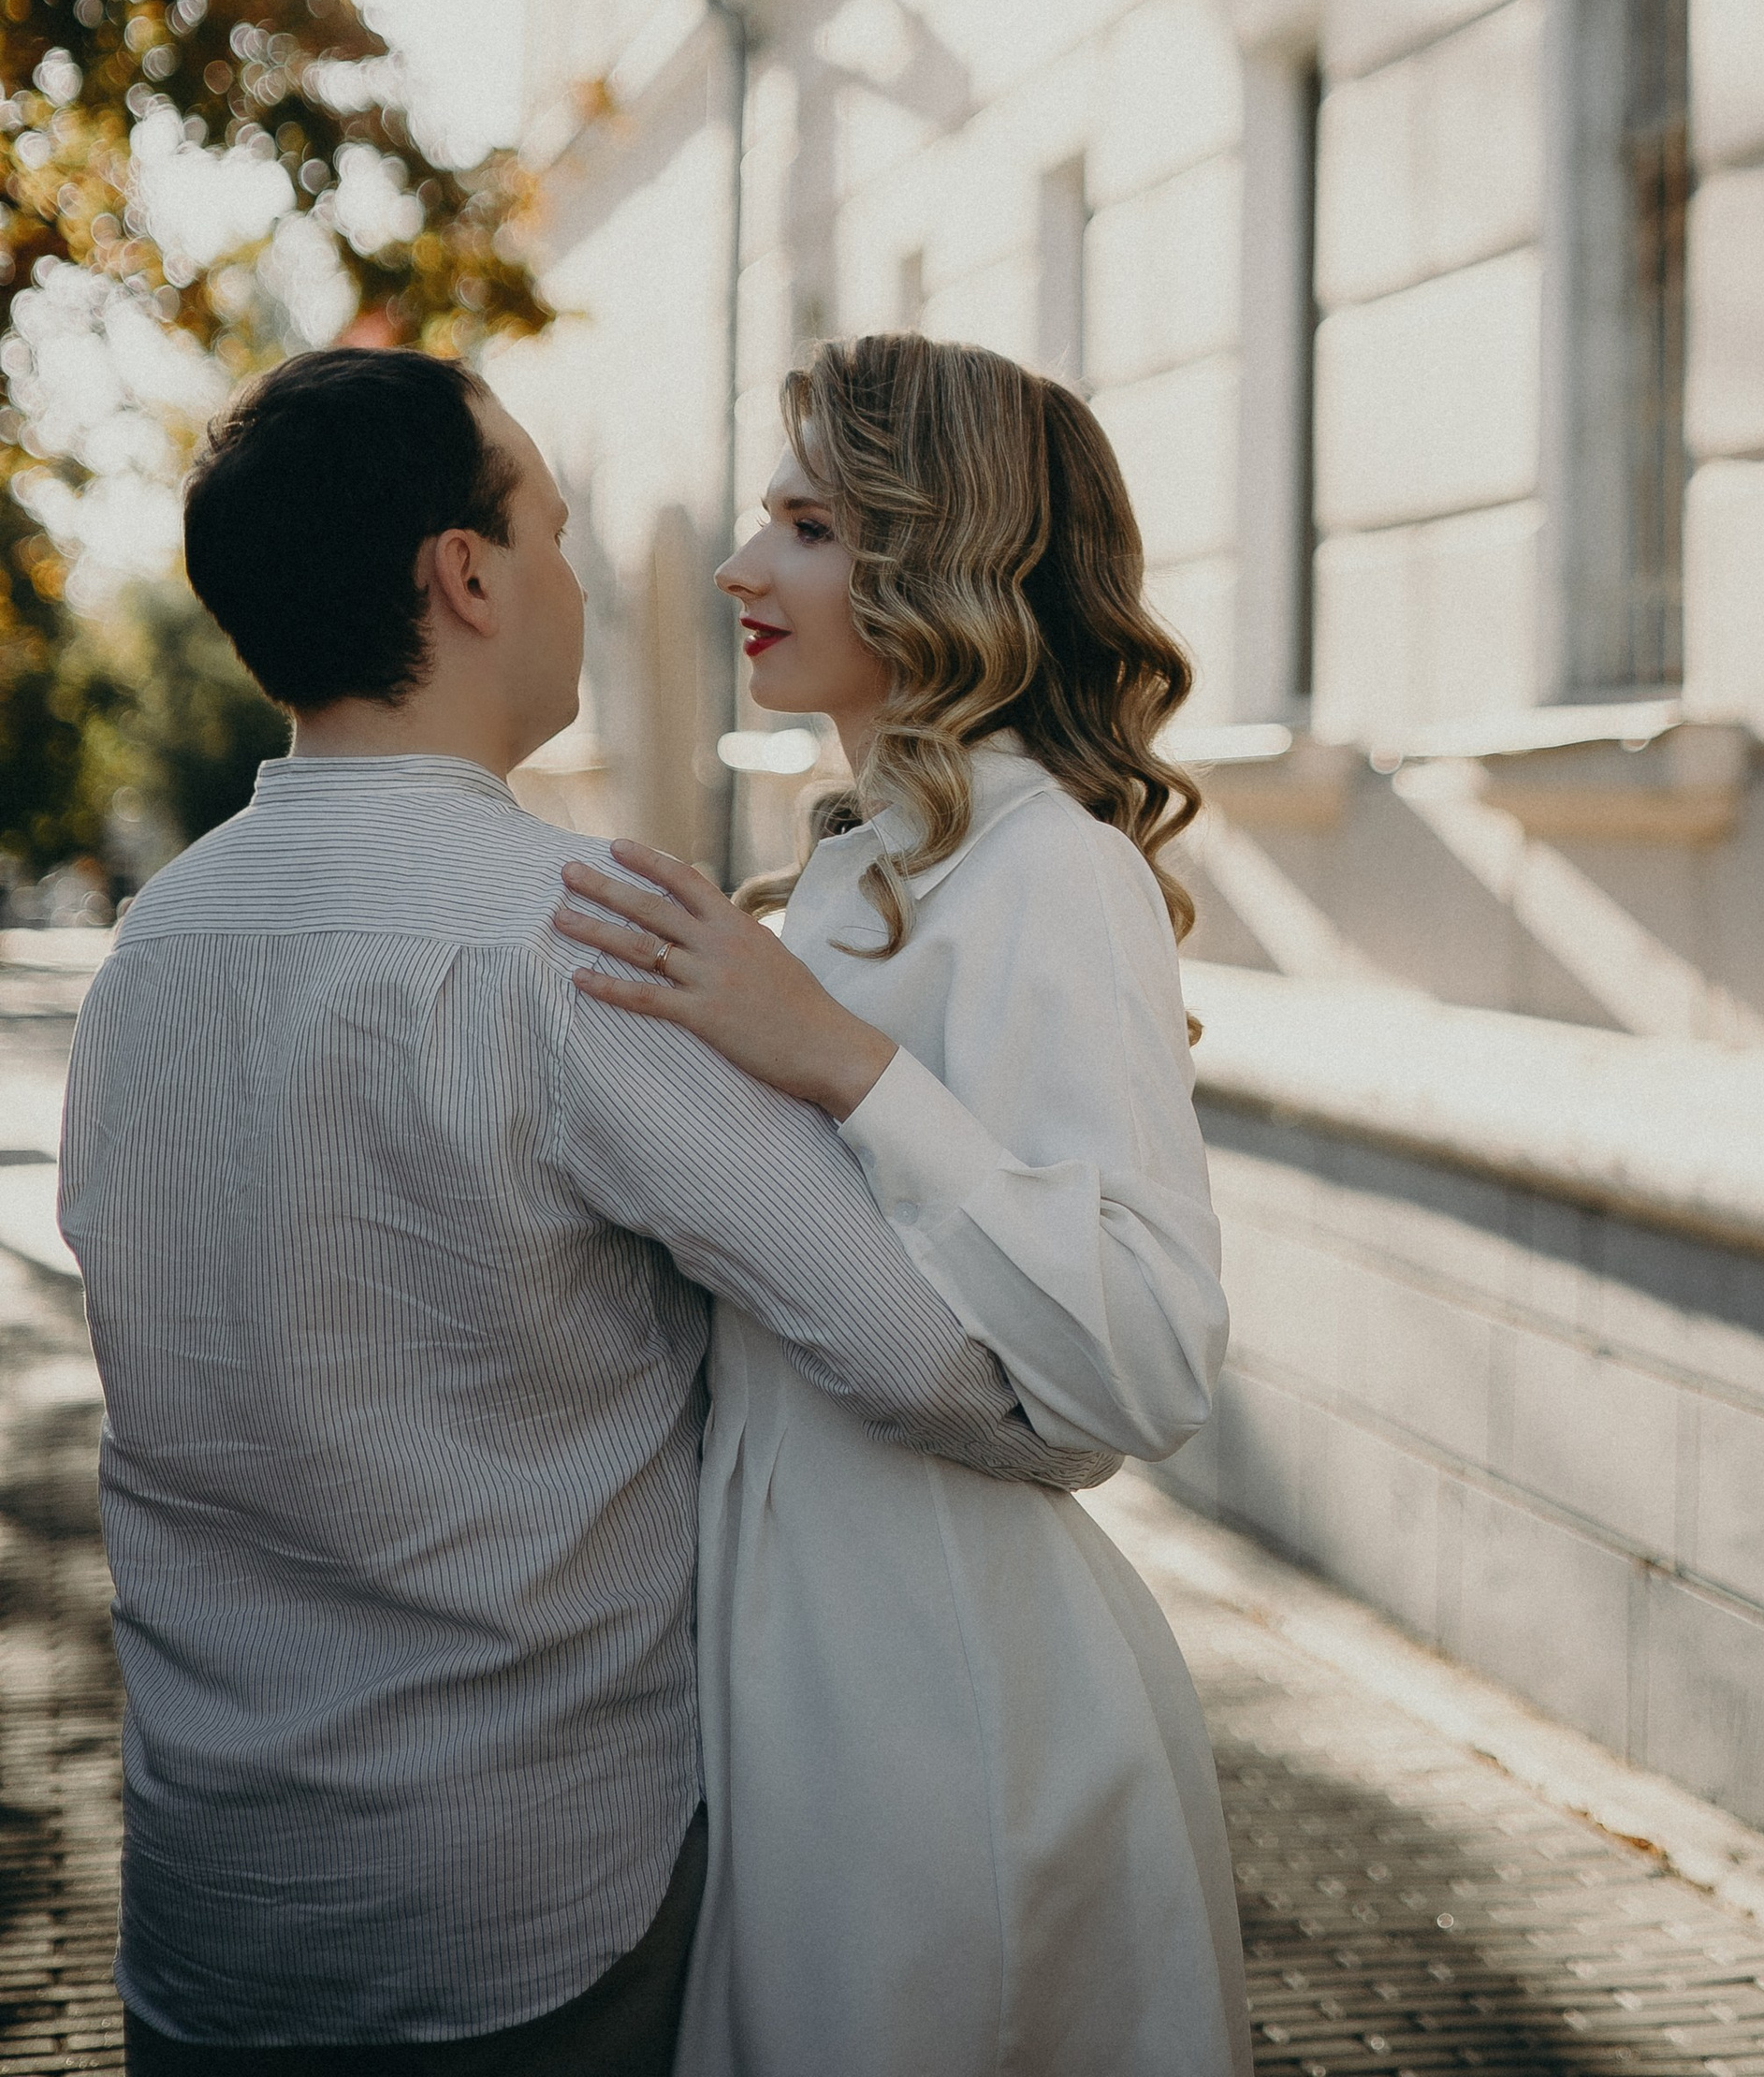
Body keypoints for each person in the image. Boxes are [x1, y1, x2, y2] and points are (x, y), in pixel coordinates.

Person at [58, 346, 1114, 2077]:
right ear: (465, 577)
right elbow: (950, 1366)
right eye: (551, 527)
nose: (577, 572)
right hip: (529, 1919)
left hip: (207, 1918)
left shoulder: (148, 957)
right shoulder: (594, 941)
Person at [554, 331, 1251, 2077]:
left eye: (803, 523)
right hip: (797, 1674)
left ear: (940, 561)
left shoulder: (1054, 874)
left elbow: (1149, 1363)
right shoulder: (864, 866)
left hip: (960, 1712)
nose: (738, 566)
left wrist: (840, 1064)